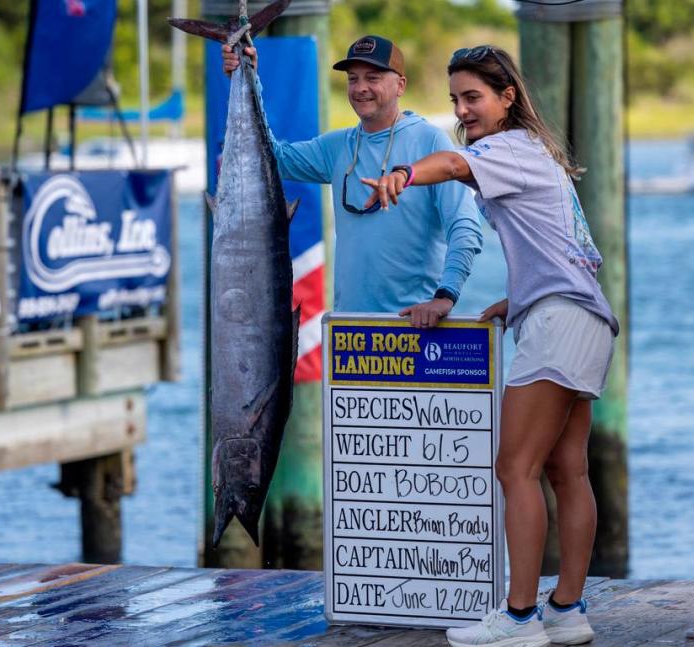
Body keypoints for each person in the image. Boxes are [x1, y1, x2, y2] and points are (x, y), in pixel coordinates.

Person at [362, 45, 618, 647]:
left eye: (472, 97)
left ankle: (520, 616)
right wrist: (518, 296)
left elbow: (450, 165)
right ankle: (567, 610)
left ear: (507, 97)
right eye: (454, 99)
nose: (462, 109)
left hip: (557, 323)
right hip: (584, 317)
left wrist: (403, 173)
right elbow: (567, 251)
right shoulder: (537, 154)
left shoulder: (503, 148)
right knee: (567, 470)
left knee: (514, 467)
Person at [222, 35, 482, 326]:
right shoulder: (338, 146)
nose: (360, 88)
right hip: (350, 331)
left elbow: (466, 227)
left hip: (415, 327)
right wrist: (248, 79)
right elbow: (272, 158)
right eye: (352, 79)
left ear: (400, 85)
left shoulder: (430, 141)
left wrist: (445, 296)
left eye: (373, 77)